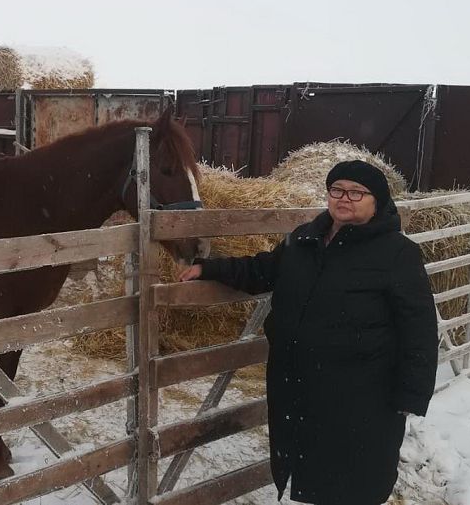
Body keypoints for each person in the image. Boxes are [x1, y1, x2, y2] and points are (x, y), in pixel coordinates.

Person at [178, 160, 438, 505]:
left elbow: (418, 329)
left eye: (357, 192)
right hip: (300, 385)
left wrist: (411, 396)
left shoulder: (397, 254)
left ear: (378, 201)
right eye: (337, 190)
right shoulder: (305, 240)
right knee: (312, 468)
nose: (344, 198)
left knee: (355, 479)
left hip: (363, 395)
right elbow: (261, 270)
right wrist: (209, 268)